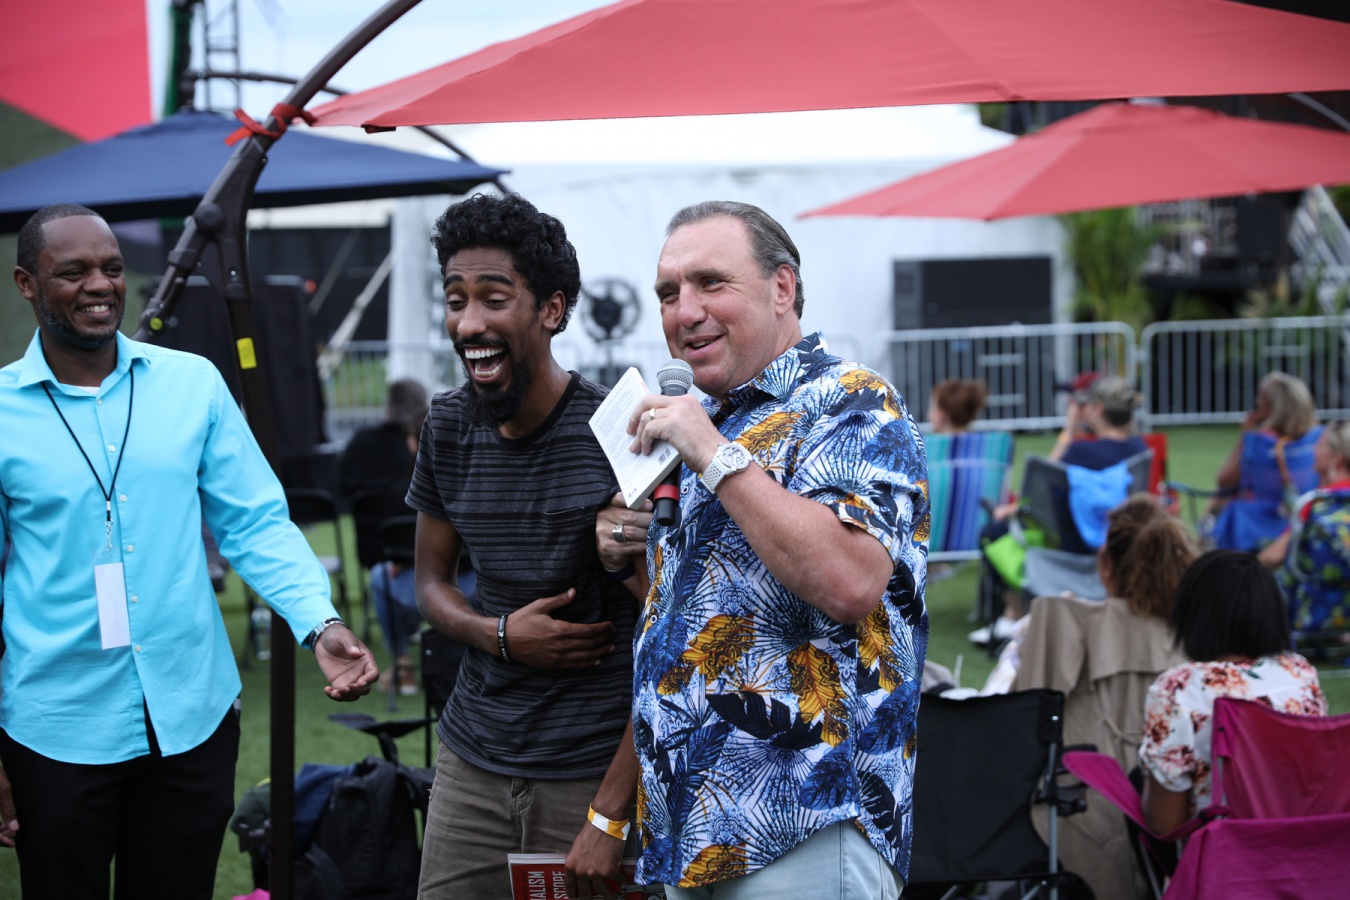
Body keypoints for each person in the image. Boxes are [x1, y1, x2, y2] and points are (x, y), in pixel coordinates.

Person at [0, 204, 377, 900]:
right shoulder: (3, 412)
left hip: (191, 718)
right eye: (73, 272)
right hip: (55, 729)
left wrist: (318, 622)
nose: (99, 285)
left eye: (112, 268)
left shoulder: (192, 383)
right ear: (27, 284)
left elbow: (255, 522)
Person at [612, 200, 929, 898]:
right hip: (688, 832)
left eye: (710, 283)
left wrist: (713, 455)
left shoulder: (851, 400)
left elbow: (850, 582)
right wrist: (629, 550)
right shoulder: (710, 421)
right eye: (668, 292)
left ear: (781, 287)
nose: (684, 311)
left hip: (807, 826)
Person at [406, 193, 640, 900]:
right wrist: (499, 635)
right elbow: (430, 583)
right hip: (471, 761)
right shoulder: (448, 426)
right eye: (455, 300)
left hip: (590, 769)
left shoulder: (618, 432)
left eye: (494, 298)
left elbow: (676, 634)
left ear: (551, 310)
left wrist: (611, 811)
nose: (468, 322)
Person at [996, 496, 1196, 900]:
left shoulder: (1063, 624)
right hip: (1181, 843)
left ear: (1106, 566)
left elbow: (1012, 732)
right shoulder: (1201, 641)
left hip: (1071, 828)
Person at [1140, 549, 1328, 835]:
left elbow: (1166, 825)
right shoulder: (1299, 673)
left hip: (1223, 857)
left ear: (1193, 614)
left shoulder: (1179, 688)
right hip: (1301, 846)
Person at [970, 375, 1148, 645]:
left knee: (994, 529)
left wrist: (1068, 431)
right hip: (1116, 547)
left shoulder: (1080, 452)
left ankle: (1014, 615)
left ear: (1098, 410)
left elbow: (1036, 490)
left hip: (1068, 550)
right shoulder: (1139, 449)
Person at [1208, 370, 1321, 552]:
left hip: (1252, 527)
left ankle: (1203, 538)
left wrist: (1245, 435)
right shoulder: (1316, 440)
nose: (1257, 402)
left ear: (1273, 405)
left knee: (1222, 496)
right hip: (1302, 521)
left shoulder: (1258, 441)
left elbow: (1224, 481)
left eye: (1261, 398)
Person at [1260, 418, 1350, 634]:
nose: (1314, 449)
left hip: (1316, 617)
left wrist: (1248, 565)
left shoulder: (1317, 503)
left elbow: (1274, 557)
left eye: (1320, 444)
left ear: (1336, 459)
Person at [1050, 374, 1147, 468]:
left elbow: (1049, 473)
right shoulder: (1139, 446)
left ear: (1098, 410)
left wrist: (1068, 431)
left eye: (1083, 405)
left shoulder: (1082, 452)